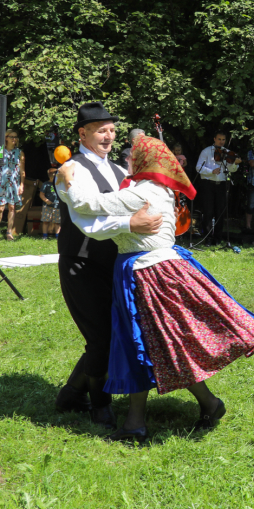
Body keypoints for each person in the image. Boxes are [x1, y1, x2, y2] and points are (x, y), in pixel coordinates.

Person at [58, 134, 254, 441]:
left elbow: (89, 203)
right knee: (159, 345)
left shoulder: (141, 192)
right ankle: (200, 407)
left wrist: (68, 179)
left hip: (148, 274)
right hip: (151, 270)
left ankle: (142, 421)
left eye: (133, 155)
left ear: (146, 160)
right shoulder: (153, 188)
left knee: (145, 343)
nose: (127, 159)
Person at [54, 102, 164, 429]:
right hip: (81, 263)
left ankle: (72, 393)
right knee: (101, 336)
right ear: (82, 133)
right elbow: (89, 220)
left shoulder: (119, 172)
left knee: (111, 332)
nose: (109, 136)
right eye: (101, 130)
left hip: (114, 263)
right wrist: (131, 224)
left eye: (112, 130)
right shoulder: (70, 170)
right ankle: (99, 404)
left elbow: (139, 198)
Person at [194, 131, 242, 244]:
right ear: (214, 139)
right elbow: (198, 167)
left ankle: (218, 238)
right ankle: (208, 238)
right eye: (219, 139)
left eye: (223, 140)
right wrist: (211, 171)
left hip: (221, 185)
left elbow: (232, 169)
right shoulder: (206, 151)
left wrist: (235, 163)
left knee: (220, 212)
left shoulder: (228, 152)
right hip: (208, 184)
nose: (221, 142)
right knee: (208, 211)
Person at [0, 128, 25, 241]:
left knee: (12, 208)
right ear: (6, 138)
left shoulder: (20, 152)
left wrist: (22, 185)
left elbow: (22, 171)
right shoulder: (0, 150)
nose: (14, 139)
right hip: (1, 182)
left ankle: (9, 232)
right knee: (0, 208)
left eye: (15, 137)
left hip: (14, 183)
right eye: (11, 136)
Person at [39, 168, 62, 239]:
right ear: (50, 176)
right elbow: (41, 194)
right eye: (53, 177)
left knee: (57, 222)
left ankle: (57, 236)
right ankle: (45, 235)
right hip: (47, 206)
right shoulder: (46, 184)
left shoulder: (60, 184)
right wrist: (46, 200)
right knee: (46, 221)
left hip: (57, 205)